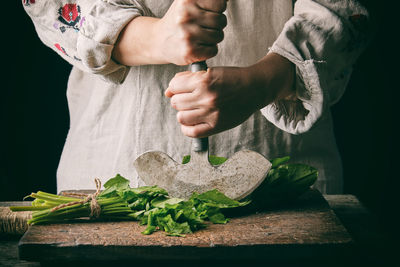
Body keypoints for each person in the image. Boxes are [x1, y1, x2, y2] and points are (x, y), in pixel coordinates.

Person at [22, 0, 371, 194]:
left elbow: (344, 9)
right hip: (112, 170)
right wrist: (152, 36)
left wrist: (263, 82)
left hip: (286, 174)